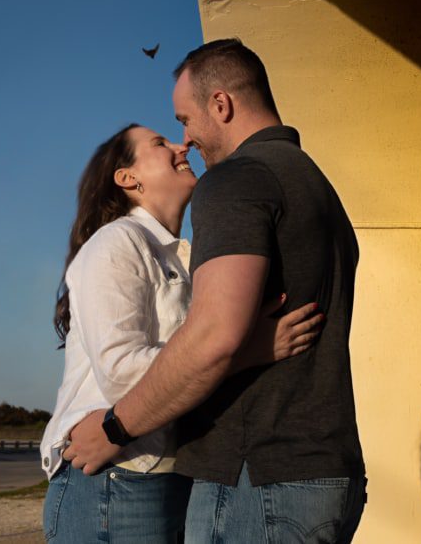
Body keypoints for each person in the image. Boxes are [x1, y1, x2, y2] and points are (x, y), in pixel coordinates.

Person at [64, 39, 367, 543]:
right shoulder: (317, 188)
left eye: (184, 120)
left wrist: (114, 429)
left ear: (221, 105)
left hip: (260, 477)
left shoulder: (236, 180)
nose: (186, 140)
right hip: (320, 469)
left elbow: (213, 337)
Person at [40, 122, 323, 543]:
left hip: (168, 476)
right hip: (115, 480)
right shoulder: (116, 242)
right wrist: (247, 350)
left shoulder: (187, 257)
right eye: (160, 143)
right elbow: (121, 374)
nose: (181, 144)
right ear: (127, 178)